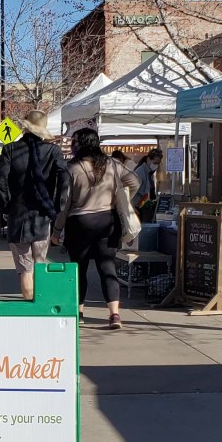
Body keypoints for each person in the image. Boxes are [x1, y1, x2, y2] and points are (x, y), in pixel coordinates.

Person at [57, 128, 139, 330]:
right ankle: (114, 314)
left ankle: (80, 313)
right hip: (107, 221)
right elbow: (135, 181)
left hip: (80, 223)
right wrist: (122, 198)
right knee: (107, 267)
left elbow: (64, 203)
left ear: (81, 143)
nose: (72, 144)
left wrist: (56, 230)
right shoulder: (111, 163)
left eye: (74, 141)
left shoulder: (71, 168)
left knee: (79, 270)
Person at [0, 110, 69, 301]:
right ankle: (40, 300)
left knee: (24, 265)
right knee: (40, 262)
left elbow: (1, 179)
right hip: (43, 213)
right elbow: (64, 179)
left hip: (18, 212)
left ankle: (29, 302)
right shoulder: (53, 151)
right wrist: (58, 206)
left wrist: (5, 206)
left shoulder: (10, 149)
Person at [132, 148, 162, 220]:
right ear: (148, 159)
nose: (156, 165)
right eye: (155, 163)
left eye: (158, 163)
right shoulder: (140, 172)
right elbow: (128, 192)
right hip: (136, 209)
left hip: (141, 208)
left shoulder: (149, 173)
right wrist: (132, 207)